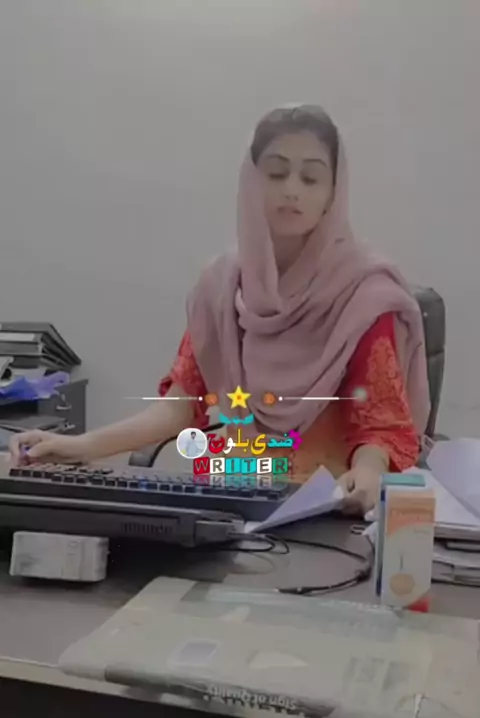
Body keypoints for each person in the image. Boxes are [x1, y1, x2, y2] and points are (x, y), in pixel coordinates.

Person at [9, 104, 430, 514]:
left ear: (333, 193)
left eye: (311, 177)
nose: (292, 189)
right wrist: (79, 446)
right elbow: (178, 407)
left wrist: (369, 471)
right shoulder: (221, 287)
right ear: (251, 182)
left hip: (327, 507)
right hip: (235, 499)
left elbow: (379, 424)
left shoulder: (362, 294)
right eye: (276, 173)